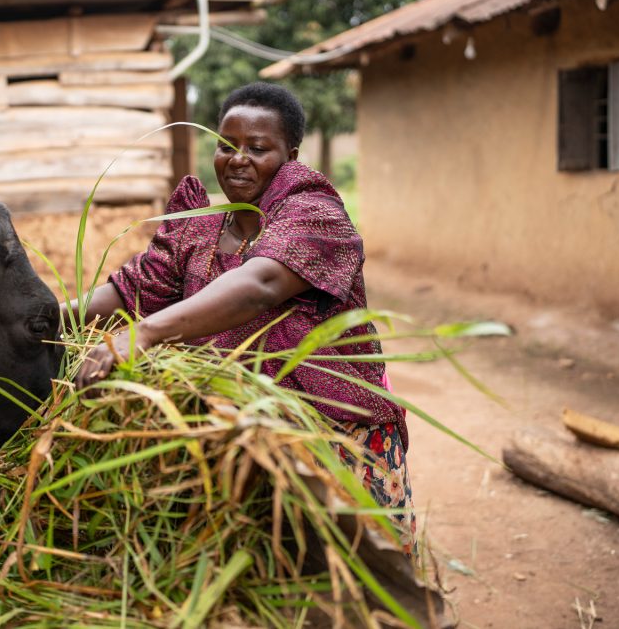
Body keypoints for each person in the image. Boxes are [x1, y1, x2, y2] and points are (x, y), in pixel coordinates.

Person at [69, 82, 415, 555]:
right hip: (241, 439)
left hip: (334, 438)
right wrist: (42, 315)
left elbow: (260, 286)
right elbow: (131, 291)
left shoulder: (316, 217)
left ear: (289, 155)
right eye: (227, 145)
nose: (238, 159)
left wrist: (144, 333)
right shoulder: (199, 228)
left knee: (360, 590)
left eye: (257, 148)